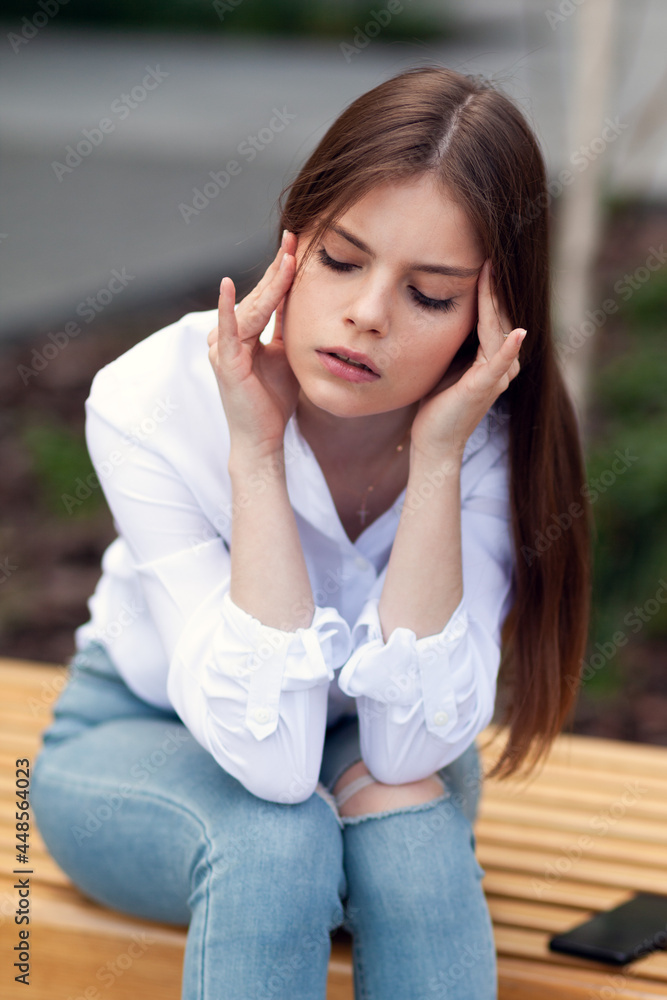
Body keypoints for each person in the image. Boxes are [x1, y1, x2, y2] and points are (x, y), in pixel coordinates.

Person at [32, 65, 591, 1000]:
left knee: (408, 833)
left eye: (429, 295)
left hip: (369, 739)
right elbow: (275, 766)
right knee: (275, 842)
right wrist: (255, 455)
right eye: (340, 259)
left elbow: (407, 750)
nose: (366, 315)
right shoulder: (152, 398)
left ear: (486, 320)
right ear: (292, 243)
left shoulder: (491, 441)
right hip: (136, 736)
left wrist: (436, 460)